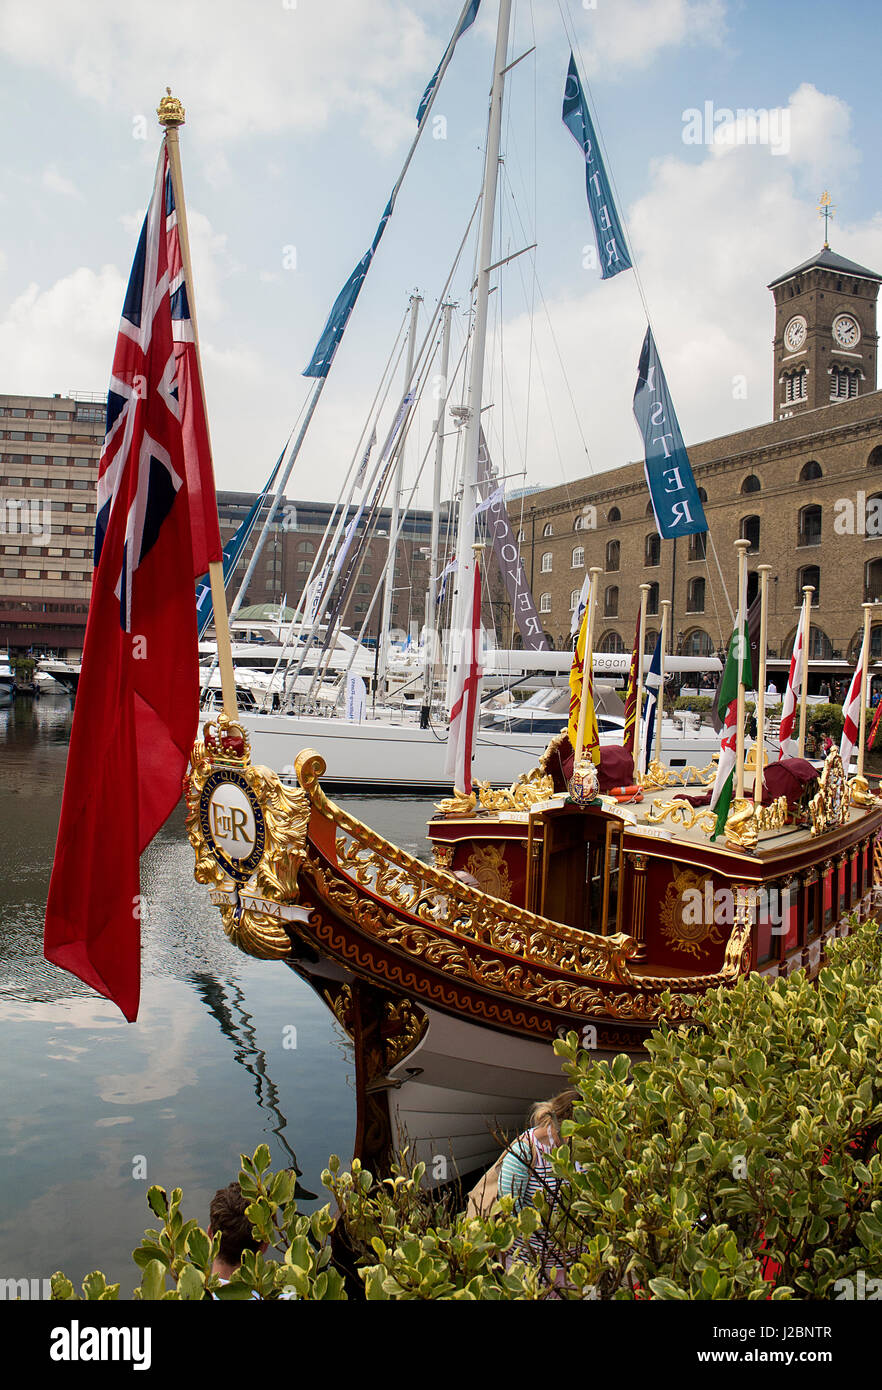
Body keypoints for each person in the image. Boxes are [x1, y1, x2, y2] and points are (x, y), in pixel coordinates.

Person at [497, 1089, 581, 1287]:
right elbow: (508, 1211)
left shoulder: (581, 1150)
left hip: (574, 1268)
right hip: (530, 1269)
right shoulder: (525, 1151)